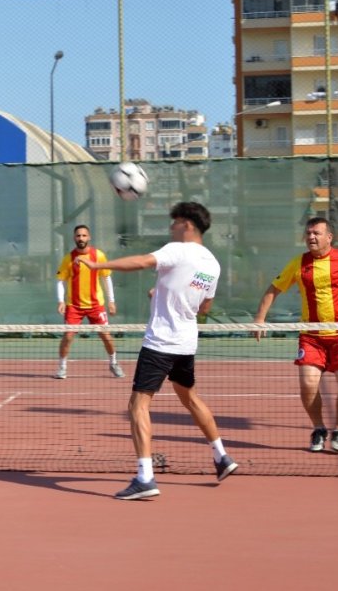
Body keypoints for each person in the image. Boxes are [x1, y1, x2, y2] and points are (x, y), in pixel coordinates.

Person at [76, 202, 237, 500]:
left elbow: (141, 262)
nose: (171, 228)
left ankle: (145, 477)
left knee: (138, 405)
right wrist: (161, 294)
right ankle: (222, 456)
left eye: (174, 222)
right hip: (187, 343)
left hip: (161, 342)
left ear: (187, 224)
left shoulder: (178, 249)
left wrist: (98, 267)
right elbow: (204, 307)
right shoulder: (212, 264)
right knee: (189, 397)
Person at [253, 216, 338, 453]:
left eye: (316, 233)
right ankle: (318, 428)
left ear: (329, 237)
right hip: (311, 336)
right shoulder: (299, 263)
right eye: (308, 233)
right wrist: (259, 319)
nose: (311, 237)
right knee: (308, 384)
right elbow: (274, 289)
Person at [54, 225, 124, 379]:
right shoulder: (68, 259)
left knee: (106, 336)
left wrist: (111, 301)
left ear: (89, 237)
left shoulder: (98, 256)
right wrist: (61, 301)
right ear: (74, 238)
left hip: (96, 306)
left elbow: (106, 278)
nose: (81, 238)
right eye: (78, 236)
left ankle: (113, 363)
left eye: (84, 235)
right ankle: (62, 367)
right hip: (74, 306)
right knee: (68, 336)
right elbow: (60, 280)